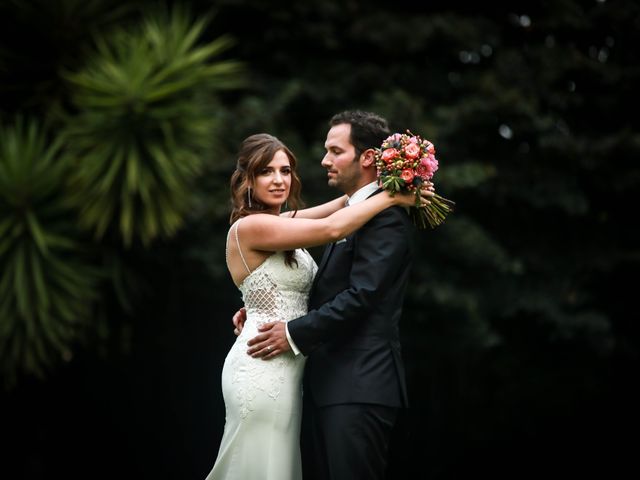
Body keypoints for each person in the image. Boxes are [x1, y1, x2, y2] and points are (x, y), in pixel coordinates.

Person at [205, 131, 432, 480]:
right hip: (263, 364)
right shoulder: (252, 226)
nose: (279, 180)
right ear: (247, 180)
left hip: (292, 367)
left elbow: (344, 204)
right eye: (267, 172)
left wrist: (399, 180)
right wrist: (392, 198)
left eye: (285, 170)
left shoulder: (282, 223)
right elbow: (330, 229)